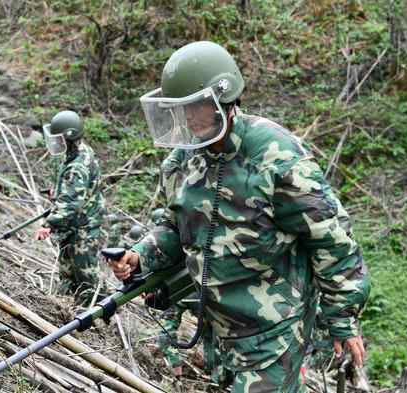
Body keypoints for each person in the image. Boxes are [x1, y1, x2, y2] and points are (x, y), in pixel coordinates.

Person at [110, 41, 370, 393]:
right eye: (181, 110)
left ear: (223, 99)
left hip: (273, 332)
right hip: (217, 328)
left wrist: (342, 319)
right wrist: (141, 254)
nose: (188, 119)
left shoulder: (275, 157)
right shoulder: (183, 161)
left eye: (196, 107)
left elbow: (332, 238)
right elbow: (175, 225)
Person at [35, 110, 106, 306]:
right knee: (68, 264)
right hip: (82, 220)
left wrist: (48, 224)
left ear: (68, 137)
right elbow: (79, 188)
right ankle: (65, 300)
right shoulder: (83, 151)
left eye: (59, 138)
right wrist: (58, 190)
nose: (56, 142)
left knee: (84, 269)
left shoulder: (76, 166)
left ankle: (96, 308)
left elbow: (70, 204)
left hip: (82, 224)